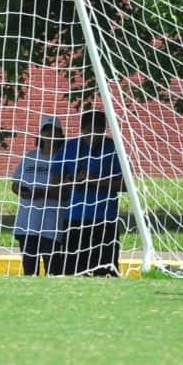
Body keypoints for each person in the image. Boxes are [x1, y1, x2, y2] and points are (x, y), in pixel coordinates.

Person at [53, 109, 123, 277]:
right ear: (82, 129)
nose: (95, 134)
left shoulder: (113, 147)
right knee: (73, 269)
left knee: (105, 270)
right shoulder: (69, 147)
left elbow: (124, 184)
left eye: (99, 129)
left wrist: (94, 180)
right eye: (91, 129)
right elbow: (55, 182)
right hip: (76, 216)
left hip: (105, 216)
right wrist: (73, 180)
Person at [11, 114, 67, 276]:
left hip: (52, 224)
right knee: (29, 271)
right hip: (28, 223)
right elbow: (15, 185)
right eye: (46, 130)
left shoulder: (64, 159)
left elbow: (66, 193)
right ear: (40, 134)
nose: (50, 134)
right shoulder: (30, 157)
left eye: (54, 130)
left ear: (60, 134)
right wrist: (23, 192)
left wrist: (42, 193)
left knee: (53, 270)